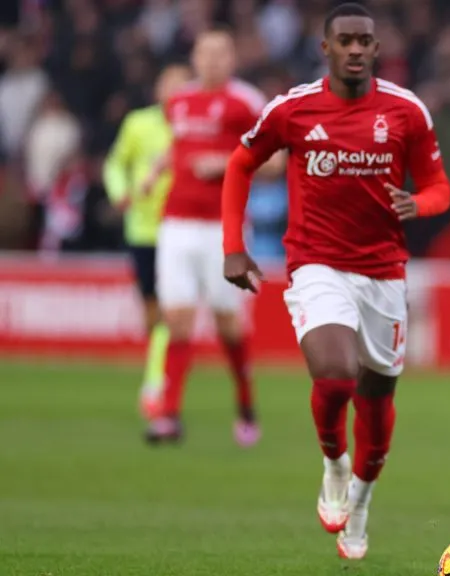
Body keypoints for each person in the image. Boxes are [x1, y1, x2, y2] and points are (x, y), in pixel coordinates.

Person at [220, 3, 450, 560]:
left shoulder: (405, 111)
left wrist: (416, 203)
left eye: (362, 41)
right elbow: (239, 165)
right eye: (343, 40)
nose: (354, 49)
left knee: (376, 399)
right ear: (326, 48)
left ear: (375, 49)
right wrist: (233, 247)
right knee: (335, 372)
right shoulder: (292, 109)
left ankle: (363, 500)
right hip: (316, 264)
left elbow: (441, 187)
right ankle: (333, 462)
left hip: (384, 274)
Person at [145, 29, 283, 446]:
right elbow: (178, 146)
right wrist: (156, 170)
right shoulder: (179, 101)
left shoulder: (247, 102)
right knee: (178, 320)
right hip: (175, 223)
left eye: (221, 53)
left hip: (223, 229)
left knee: (228, 326)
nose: (212, 60)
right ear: (194, 57)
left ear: (232, 59)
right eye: (205, 53)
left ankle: (245, 406)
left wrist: (225, 164)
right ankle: (168, 415)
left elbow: (275, 161)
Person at [103, 63, 192, 421]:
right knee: (153, 314)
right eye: (168, 84)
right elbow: (114, 163)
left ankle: (155, 385)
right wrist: (120, 192)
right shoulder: (138, 124)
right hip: (142, 230)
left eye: (181, 85)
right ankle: (158, 375)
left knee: (169, 312)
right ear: (157, 90)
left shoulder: (195, 127)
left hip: (180, 229)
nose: (173, 92)